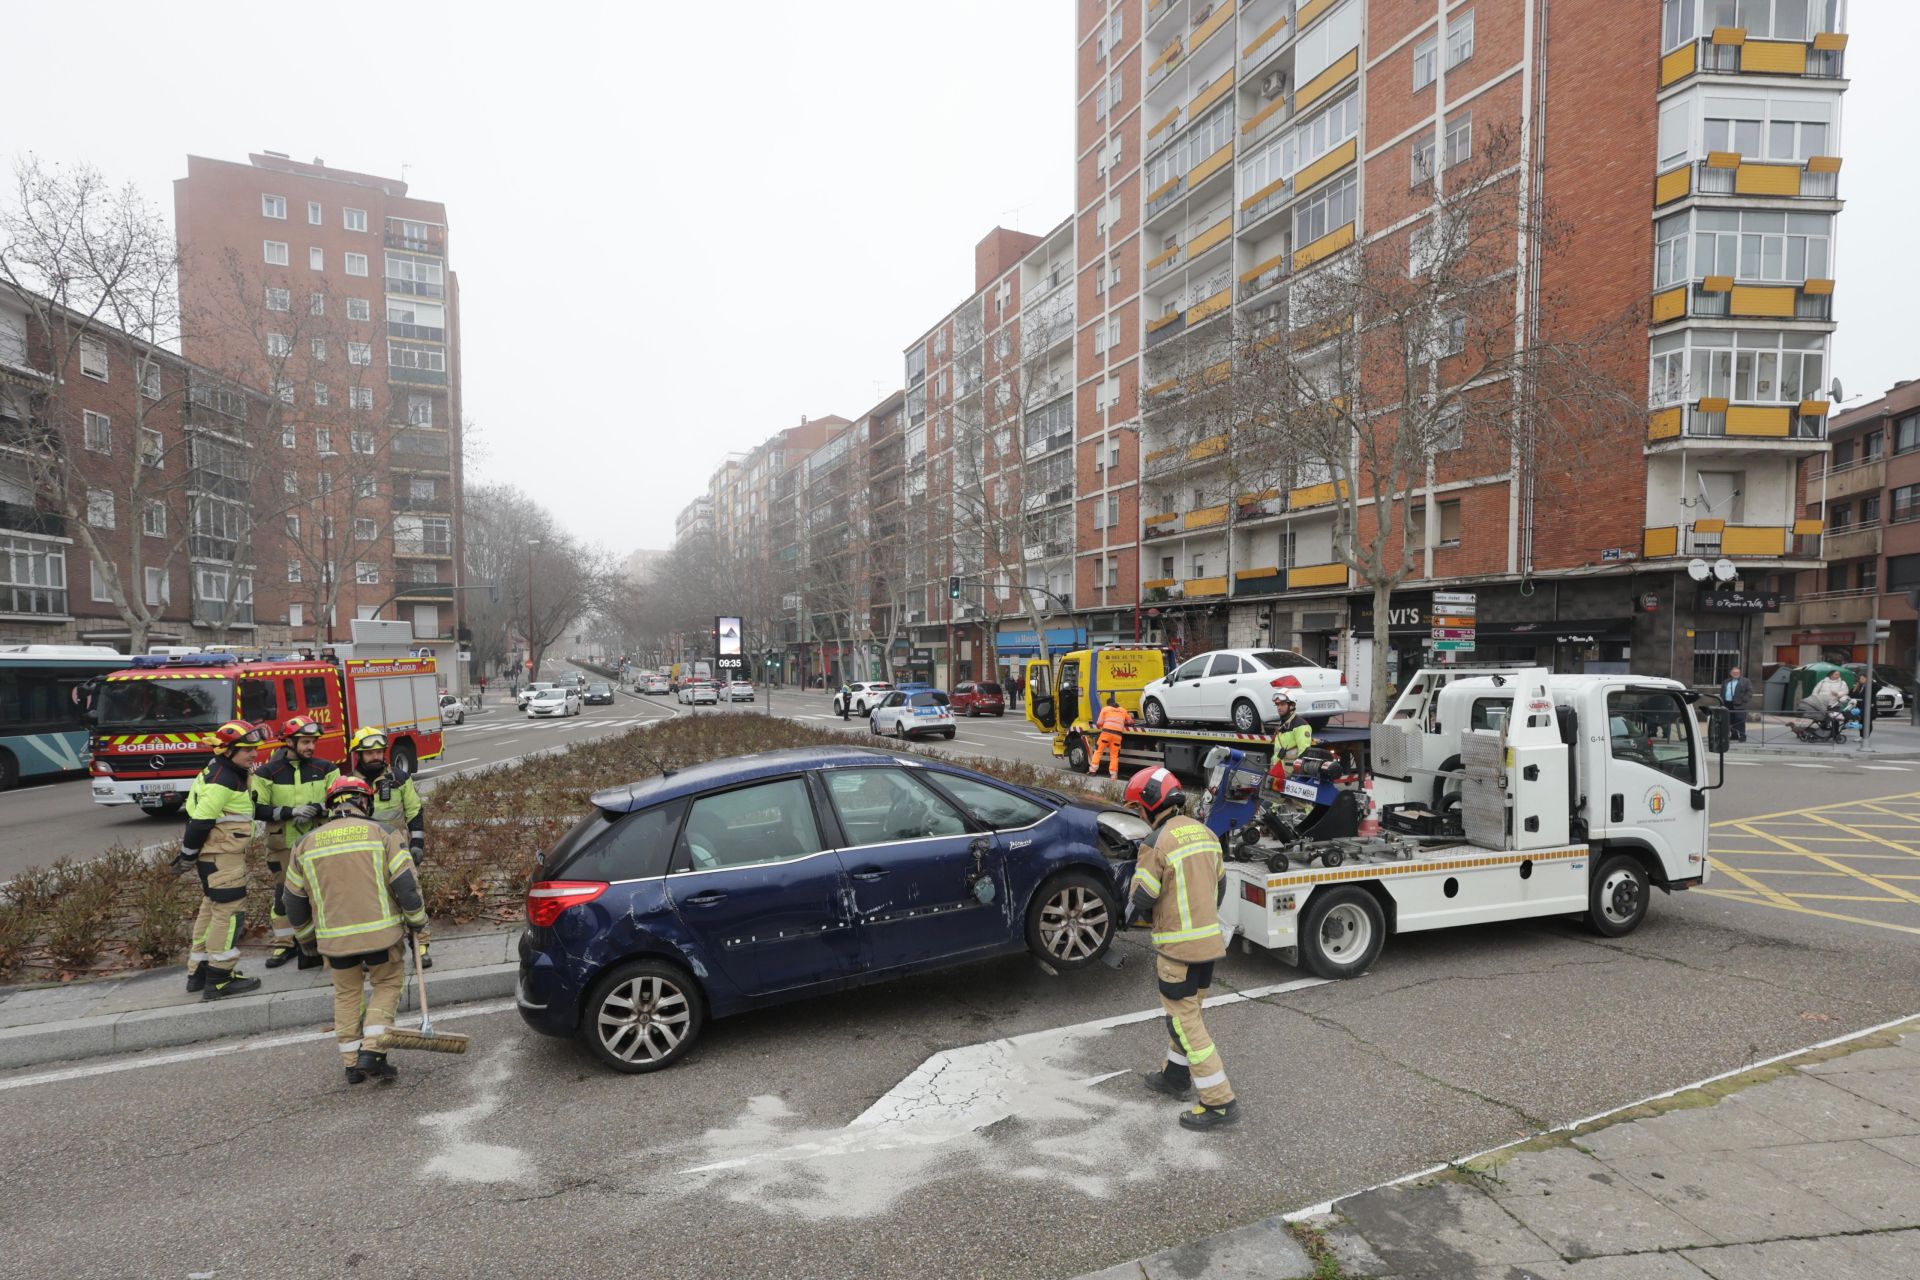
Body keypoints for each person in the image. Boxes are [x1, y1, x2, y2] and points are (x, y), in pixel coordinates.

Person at [283, 776, 428, 1085]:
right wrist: (417, 922)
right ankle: (373, 1051)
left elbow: (291, 901)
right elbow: (406, 887)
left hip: (334, 941)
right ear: (365, 802)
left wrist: (307, 939)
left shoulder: (304, 843)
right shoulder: (383, 833)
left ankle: (351, 1064)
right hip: (382, 936)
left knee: (347, 994)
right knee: (387, 986)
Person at [1123, 766, 1238, 1131]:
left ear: (1150, 805)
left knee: (1185, 1022)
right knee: (1188, 1014)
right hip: (1208, 947)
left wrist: (1132, 877)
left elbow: (1143, 896)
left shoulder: (1156, 843)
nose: (1139, 815)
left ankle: (1219, 1101)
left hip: (1177, 952)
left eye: (1138, 808)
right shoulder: (1205, 834)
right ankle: (1174, 1076)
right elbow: (1219, 889)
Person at [173, 720, 268, 1000]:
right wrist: (187, 855)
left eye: (254, 749)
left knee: (211, 909)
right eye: (246, 750)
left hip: (216, 855)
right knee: (228, 913)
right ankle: (220, 978)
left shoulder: (225, 770)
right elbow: (200, 821)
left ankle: (199, 972)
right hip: (222, 857)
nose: (253, 755)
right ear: (227, 751)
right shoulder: (223, 780)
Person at [251, 715, 338, 968]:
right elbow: (256, 808)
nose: (311, 747)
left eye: (313, 742)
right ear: (288, 742)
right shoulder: (268, 773)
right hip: (284, 846)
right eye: (305, 742)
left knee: (322, 893)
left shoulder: (326, 769)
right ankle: (284, 945)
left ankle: (323, 943)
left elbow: (339, 800)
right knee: (284, 896)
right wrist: (290, 812)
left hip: (319, 843)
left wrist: (317, 808)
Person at [347, 728, 432, 967]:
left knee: (411, 893)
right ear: (358, 755)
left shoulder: (399, 778)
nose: (375, 757)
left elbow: (414, 810)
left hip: (398, 848)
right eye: (369, 753)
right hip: (363, 853)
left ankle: (420, 945)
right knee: (368, 900)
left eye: (378, 752)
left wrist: (417, 844)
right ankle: (373, 948)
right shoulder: (347, 784)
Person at [1267, 691, 1314, 785]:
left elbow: (1304, 754)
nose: (1279, 707)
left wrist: (1296, 777)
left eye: (1282, 704)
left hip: (1291, 777)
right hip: (1277, 774)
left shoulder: (1301, 726)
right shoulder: (1283, 725)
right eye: (1277, 705)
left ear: (1291, 706)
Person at [1087, 691, 1133, 779]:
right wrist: (1123, 722)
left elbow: (1099, 723)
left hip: (1106, 734)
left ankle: (1093, 770)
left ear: (1108, 704)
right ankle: (1113, 775)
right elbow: (1131, 722)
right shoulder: (1123, 710)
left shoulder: (1105, 709)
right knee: (1114, 755)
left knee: (1098, 751)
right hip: (1117, 736)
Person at [1721, 667, 1753, 743]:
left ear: (1740, 673)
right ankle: (1734, 735)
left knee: (1740, 720)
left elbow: (1749, 692)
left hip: (1740, 705)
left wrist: (1743, 700)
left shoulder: (1745, 681)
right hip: (1727, 704)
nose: (1736, 674)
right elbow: (1722, 691)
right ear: (1731, 673)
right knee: (1730, 720)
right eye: (1734, 672)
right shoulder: (1726, 681)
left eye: (1737, 672)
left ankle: (1742, 736)